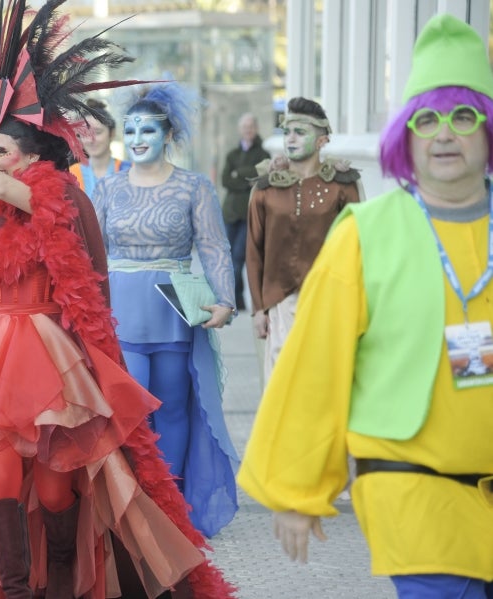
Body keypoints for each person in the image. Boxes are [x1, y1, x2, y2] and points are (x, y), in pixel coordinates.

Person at [0, 2, 236, 597]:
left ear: (32, 159)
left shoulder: (55, 196)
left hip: (51, 358)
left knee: (58, 490)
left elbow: (15, 196)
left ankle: (60, 577)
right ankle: (13, 589)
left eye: (1, 151)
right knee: (0, 472)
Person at [238, 13, 493, 598]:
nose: (445, 134)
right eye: (426, 120)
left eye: (463, 116)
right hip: (414, 494)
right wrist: (298, 489)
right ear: (406, 136)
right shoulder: (364, 235)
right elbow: (315, 367)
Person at [91, 81, 239, 538]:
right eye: (130, 130)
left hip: (175, 311)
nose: (137, 138)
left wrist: (226, 300)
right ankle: (134, 501)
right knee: (133, 406)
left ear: (168, 134)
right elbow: (87, 253)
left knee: (173, 406)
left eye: (148, 130)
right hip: (120, 312)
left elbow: (215, 247)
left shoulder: (194, 186)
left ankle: (169, 503)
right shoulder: (108, 187)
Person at [245, 97, 363, 381]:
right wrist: (259, 309)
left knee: (324, 384)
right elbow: (254, 250)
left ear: (322, 140)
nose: (291, 138)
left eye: (300, 132)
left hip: (329, 303)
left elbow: (358, 247)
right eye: (286, 132)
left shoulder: (342, 186)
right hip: (279, 305)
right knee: (281, 386)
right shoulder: (266, 187)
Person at [220, 112, 270, 311]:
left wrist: (239, 173)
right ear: (240, 130)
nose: (248, 130)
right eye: (245, 127)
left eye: (251, 126)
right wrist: (246, 179)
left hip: (249, 213)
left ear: (255, 129)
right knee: (227, 257)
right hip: (230, 212)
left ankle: (237, 299)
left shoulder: (263, 154)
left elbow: (261, 178)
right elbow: (225, 180)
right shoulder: (232, 154)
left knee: (238, 257)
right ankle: (236, 299)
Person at [69, 98, 130, 193]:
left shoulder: (128, 171)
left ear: (112, 133)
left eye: (98, 132)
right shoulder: (72, 174)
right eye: (85, 133)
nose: (91, 139)